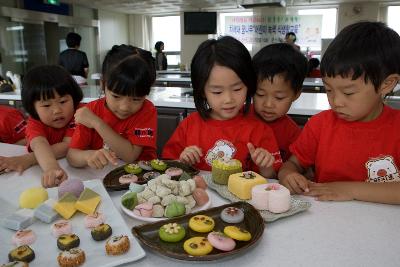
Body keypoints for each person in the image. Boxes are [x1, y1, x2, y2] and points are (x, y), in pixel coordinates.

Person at [278, 21, 400, 204]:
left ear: (386, 84)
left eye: (349, 92)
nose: (336, 102)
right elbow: (292, 164)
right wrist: (288, 174)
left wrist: (348, 189)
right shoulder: (320, 125)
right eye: (329, 90)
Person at [162, 36, 282, 177]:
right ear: (202, 91)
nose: (228, 99)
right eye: (217, 92)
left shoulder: (259, 130)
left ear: (248, 85)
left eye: (237, 89)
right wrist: (182, 161)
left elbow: (271, 180)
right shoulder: (189, 125)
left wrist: (265, 166)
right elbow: (167, 166)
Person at [67, 45, 157, 169]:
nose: (124, 107)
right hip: (102, 176)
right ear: (103, 84)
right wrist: (87, 156)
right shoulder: (92, 110)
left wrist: (96, 123)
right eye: (116, 96)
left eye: (136, 99)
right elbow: (72, 156)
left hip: (142, 175)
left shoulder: (146, 110)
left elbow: (130, 156)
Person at [0, 65, 83, 187]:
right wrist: (51, 168)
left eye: (63, 102)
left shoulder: (79, 113)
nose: (57, 110)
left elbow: (68, 145)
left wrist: (27, 160)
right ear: (33, 108)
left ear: (74, 98)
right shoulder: (34, 122)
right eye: (46, 105)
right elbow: (39, 144)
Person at [252, 43, 308, 162]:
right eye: (260, 94)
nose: (268, 104)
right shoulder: (239, 116)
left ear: (296, 94)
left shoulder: (293, 135)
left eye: (279, 97)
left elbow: (294, 168)